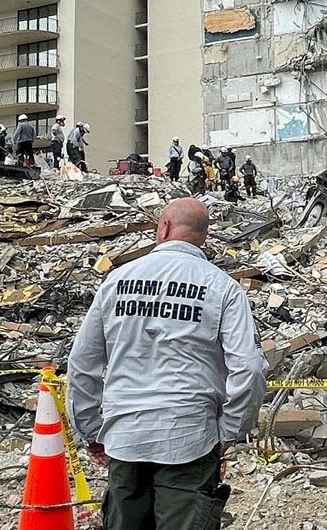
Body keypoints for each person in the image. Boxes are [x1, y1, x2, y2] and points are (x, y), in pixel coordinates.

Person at [67, 198, 268, 530]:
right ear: (203, 236)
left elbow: (82, 363)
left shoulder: (117, 281)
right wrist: (230, 431)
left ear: (163, 227)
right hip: (190, 438)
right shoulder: (222, 288)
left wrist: (91, 430)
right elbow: (250, 368)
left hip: (125, 434)